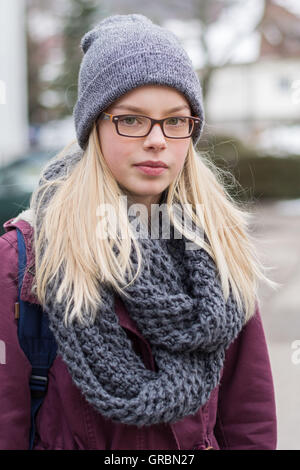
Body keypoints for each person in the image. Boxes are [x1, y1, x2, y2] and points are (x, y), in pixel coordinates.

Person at [0, 14, 277, 450]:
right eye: (131, 120)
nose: (157, 140)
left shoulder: (221, 250)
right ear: (95, 127)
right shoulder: (27, 258)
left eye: (175, 121)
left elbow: (248, 421)